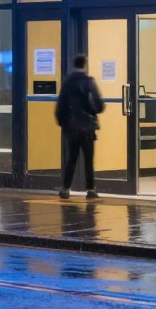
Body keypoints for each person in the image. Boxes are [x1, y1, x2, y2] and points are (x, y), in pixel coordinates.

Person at [55, 54, 104, 200]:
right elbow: (99, 104)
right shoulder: (89, 82)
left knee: (72, 158)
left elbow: (60, 106)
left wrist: (64, 124)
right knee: (88, 159)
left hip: (72, 127)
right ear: (85, 65)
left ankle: (66, 188)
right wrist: (93, 111)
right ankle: (90, 189)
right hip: (87, 127)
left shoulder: (67, 83)